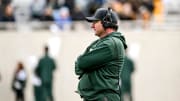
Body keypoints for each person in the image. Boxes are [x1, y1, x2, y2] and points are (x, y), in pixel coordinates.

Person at [75, 7, 127, 101]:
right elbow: (78, 68)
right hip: (97, 97)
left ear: (106, 22)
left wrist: (83, 63)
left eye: (95, 22)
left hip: (102, 97)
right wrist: (83, 63)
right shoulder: (100, 42)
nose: (92, 26)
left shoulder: (111, 43)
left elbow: (81, 63)